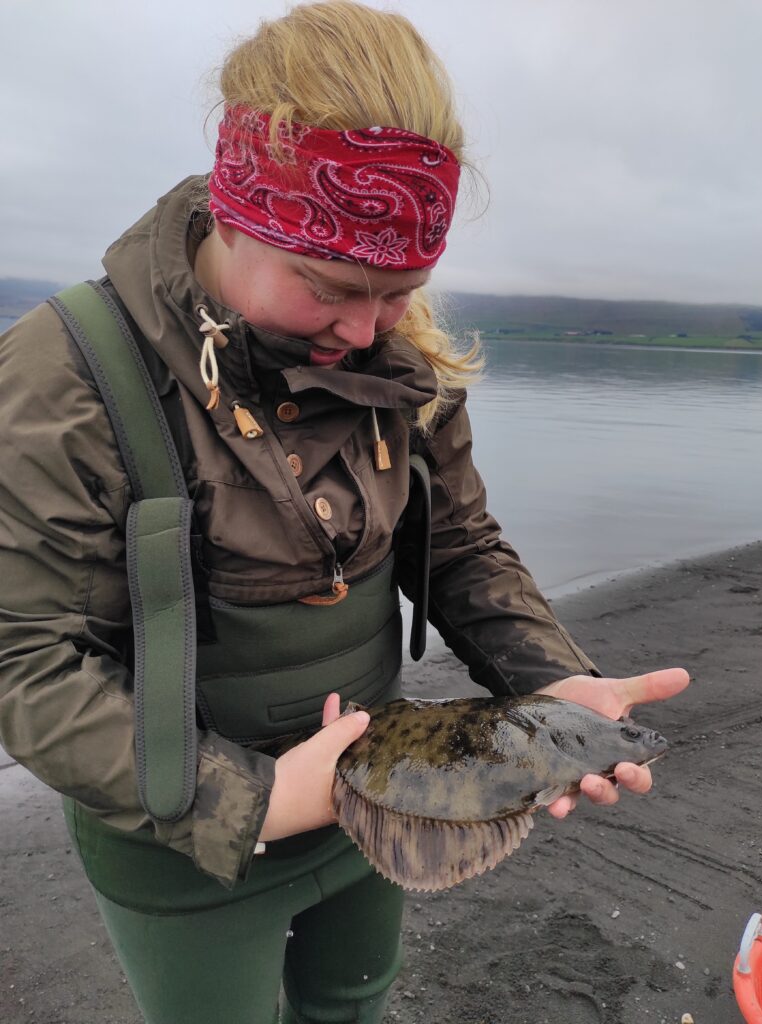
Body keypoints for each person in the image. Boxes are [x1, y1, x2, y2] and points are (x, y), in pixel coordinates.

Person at [0, 2, 689, 1022]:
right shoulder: (59, 376)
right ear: (236, 215)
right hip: (178, 840)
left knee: (353, 1005)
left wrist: (553, 684)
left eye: (402, 290)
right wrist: (260, 798)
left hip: (386, 794)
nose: (367, 329)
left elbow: (457, 547)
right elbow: (26, 657)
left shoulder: (401, 361)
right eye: (331, 286)